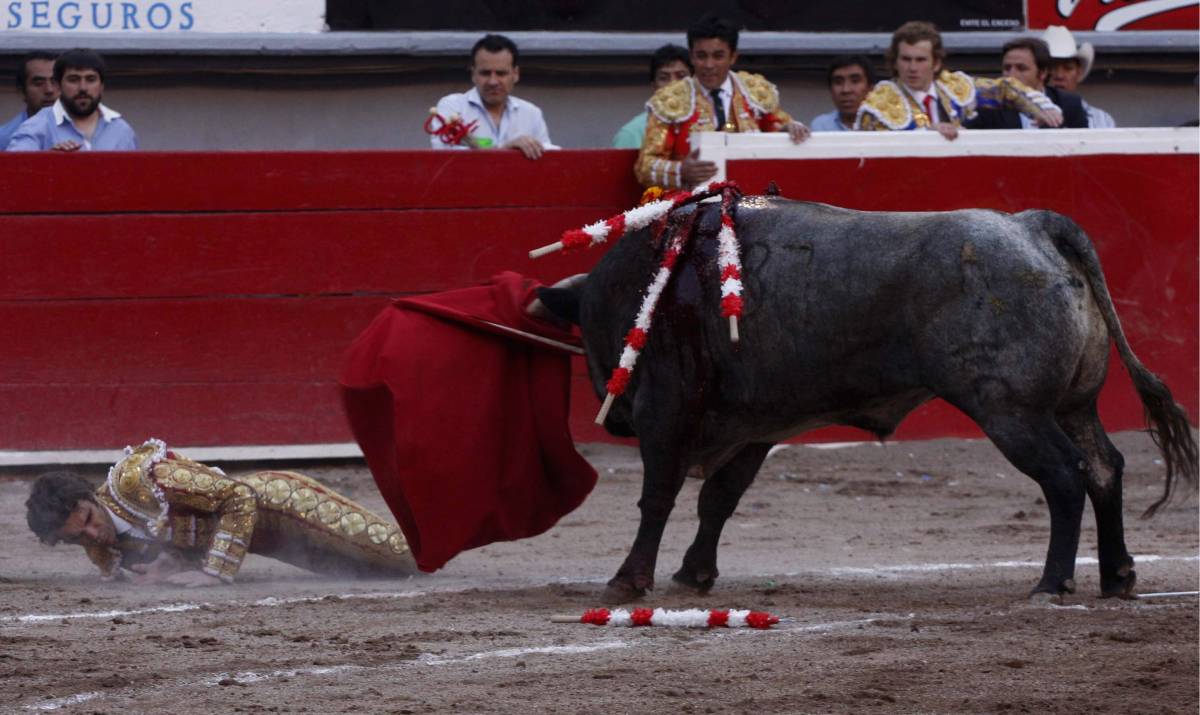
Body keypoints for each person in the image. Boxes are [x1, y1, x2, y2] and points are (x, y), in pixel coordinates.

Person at [26, 439, 416, 586]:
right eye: (77, 537)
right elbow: (190, 537)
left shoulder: (141, 479)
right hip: (274, 544)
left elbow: (238, 497)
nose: (94, 536)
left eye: (90, 522)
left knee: (405, 554)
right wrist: (175, 564)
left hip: (283, 504)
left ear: (90, 498)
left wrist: (214, 572)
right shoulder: (105, 551)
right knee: (383, 576)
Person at [634, 14, 810, 190]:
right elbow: (644, 166)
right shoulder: (669, 99)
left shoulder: (754, 91)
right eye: (701, 56)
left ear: (733, 57)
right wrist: (680, 170)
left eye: (718, 56)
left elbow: (778, 127)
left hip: (751, 198)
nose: (709, 65)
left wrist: (788, 129)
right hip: (693, 205)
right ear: (692, 57)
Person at [855, 21, 1062, 140]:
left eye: (920, 60)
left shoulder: (953, 87)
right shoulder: (879, 104)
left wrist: (1040, 108)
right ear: (895, 61)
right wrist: (926, 132)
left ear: (936, 63)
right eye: (906, 59)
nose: (912, 67)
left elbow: (1003, 89)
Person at [429, 34, 555, 160]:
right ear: (473, 74)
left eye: (501, 73)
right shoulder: (453, 107)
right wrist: (506, 151)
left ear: (515, 74)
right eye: (485, 73)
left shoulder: (531, 114)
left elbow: (548, 159)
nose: (493, 82)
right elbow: (443, 157)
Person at [6, 48, 137, 152]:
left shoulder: (122, 130)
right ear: (58, 85)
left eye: (91, 79)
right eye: (73, 80)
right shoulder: (35, 127)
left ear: (102, 86)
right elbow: (14, 173)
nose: (83, 88)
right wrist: (47, 162)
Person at [966, 38, 1088, 130]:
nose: (1011, 75)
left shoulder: (1069, 103)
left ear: (1042, 73)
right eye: (1007, 68)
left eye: (1021, 68)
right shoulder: (988, 105)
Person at [612, 44, 692, 149]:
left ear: (693, 83)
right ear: (654, 86)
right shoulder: (632, 133)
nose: (673, 84)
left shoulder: (706, 121)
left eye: (681, 76)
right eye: (664, 78)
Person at [1042, 25, 1116, 129]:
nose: (1059, 76)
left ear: (1079, 73)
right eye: (1051, 68)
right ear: (1040, 73)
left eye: (1068, 68)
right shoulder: (1023, 117)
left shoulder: (1101, 119)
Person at [0, 52, 59, 151]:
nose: (49, 90)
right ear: (22, 92)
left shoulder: (85, 127)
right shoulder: (5, 138)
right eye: (39, 83)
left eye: (55, 82)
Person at [810, 55, 876, 132]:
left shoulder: (885, 127)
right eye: (838, 82)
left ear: (871, 89)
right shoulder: (821, 126)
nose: (846, 90)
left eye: (855, 81)